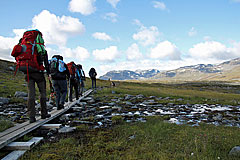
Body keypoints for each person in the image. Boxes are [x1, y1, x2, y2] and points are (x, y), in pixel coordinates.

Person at [11, 30, 51, 123]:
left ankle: (31, 117)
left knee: (31, 94)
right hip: (39, 73)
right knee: (42, 93)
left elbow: (15, 55)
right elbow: (46, 62)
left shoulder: (23, 45)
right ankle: (43, 113)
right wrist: (48, 74)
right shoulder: (40, 47)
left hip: (28, 73)